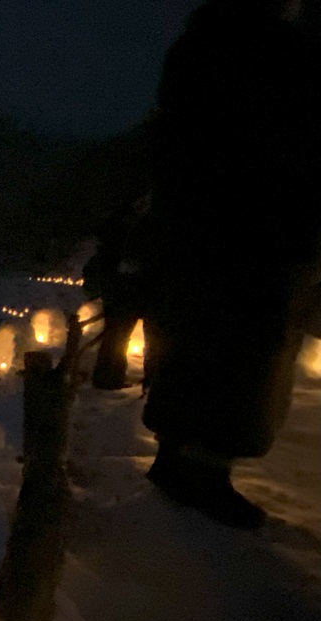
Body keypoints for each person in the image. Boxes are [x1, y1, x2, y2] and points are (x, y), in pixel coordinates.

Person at [142, 0, 321, 528]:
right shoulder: (264, 56)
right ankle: (197, 475)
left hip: (211, 230)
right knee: (234, 354)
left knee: (204, 345)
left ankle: (185, 463)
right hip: (249, 230)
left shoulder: (204, 48)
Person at [83, 191, 154, 390]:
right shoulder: (125, 226)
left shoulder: (134, 224)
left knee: (152, 342)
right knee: (116, 339)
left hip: (139, 290)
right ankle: (108, 380)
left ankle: (149, 383)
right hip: (126, 291)